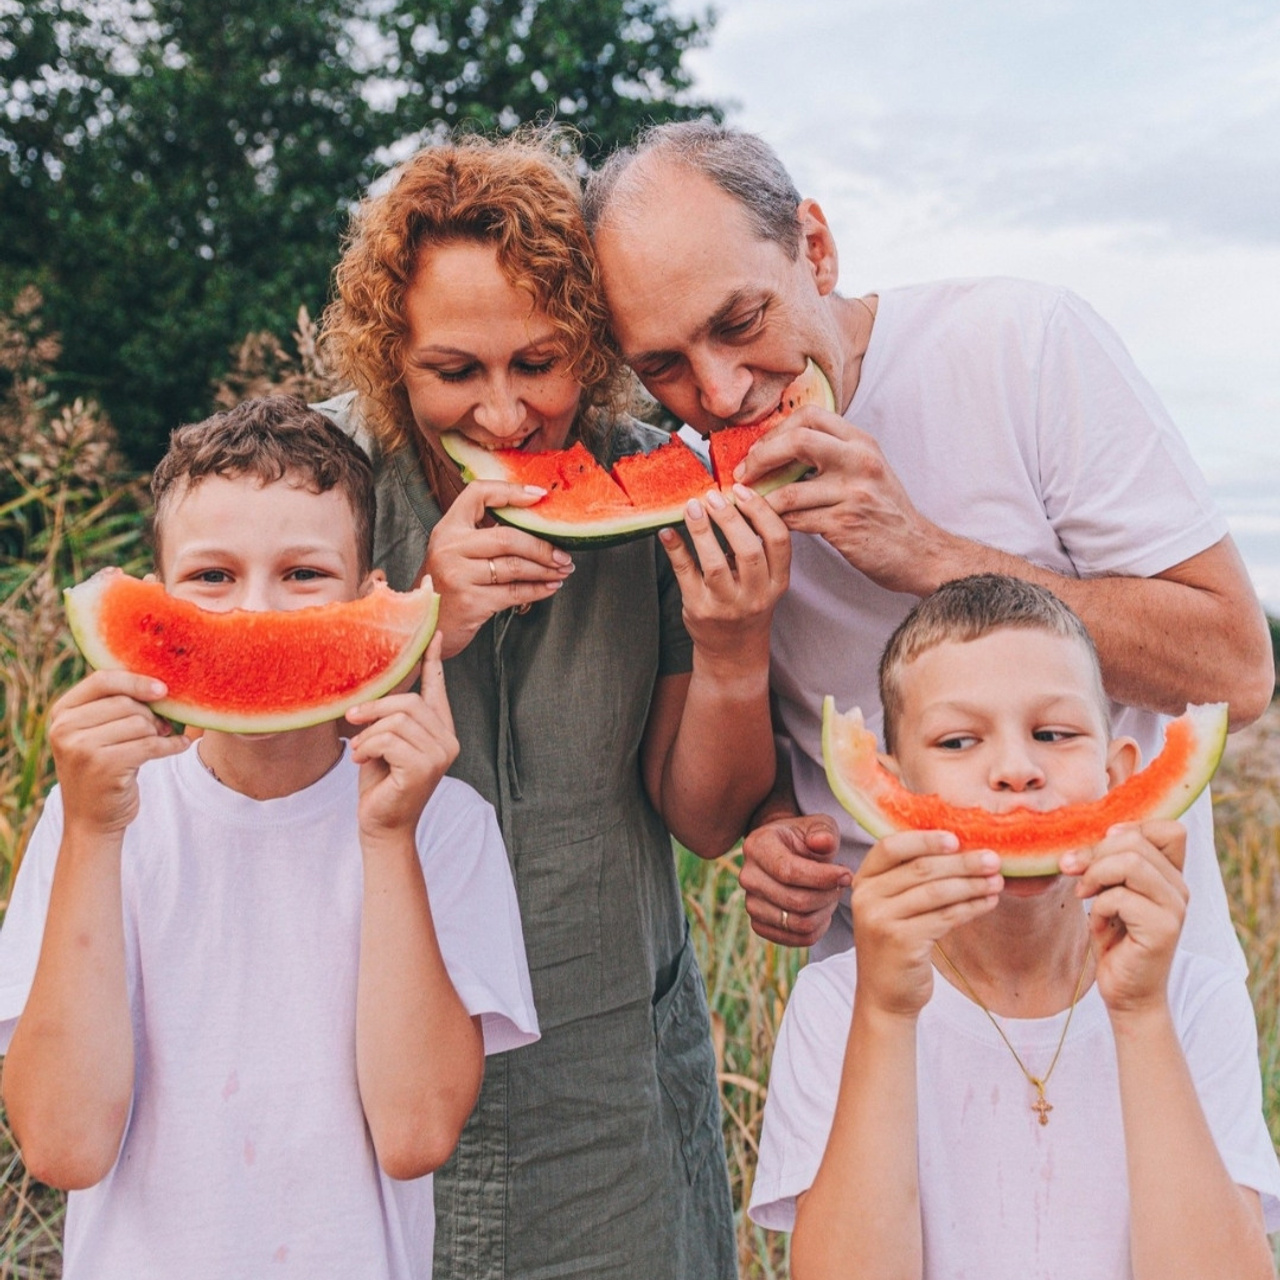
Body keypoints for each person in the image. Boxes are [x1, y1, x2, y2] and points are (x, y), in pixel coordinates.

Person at [583, 121, 1274, 968]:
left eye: (741, 320)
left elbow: (1236, 675)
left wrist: (926, 554)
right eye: (663, 368)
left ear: (816, 247)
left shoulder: (1025, 345)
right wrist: (771, 831)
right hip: (881, 1008)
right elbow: (723, 813)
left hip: (1126, 974)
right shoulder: (694, 493)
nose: (720, 394)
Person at [319, 131, 790, 1279]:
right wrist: (418, 620)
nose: (503, 416)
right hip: (358, 1076)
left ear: (594, 342)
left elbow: (703, 818)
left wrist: (731, 648)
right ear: (390, 358)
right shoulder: (314, 477)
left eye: (540, 361)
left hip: (608, 1091)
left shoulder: (654, 483)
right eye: (452, 371)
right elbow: (233, 758)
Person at [0, 397, 539, 1279]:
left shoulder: (445, 825)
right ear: (157, 596)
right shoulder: (93, 816)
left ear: (371, 599)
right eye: (211, 577)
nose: (255, 612)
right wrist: (95, 832)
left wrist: (388, 837)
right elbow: (64, 1148)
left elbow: (415, 1134)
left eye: (303, 574)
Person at [748, 573, 1280, 1278]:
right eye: (960, 741)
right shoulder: (840, 1006)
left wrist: (1141, 1013)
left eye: (1054, 733)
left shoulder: (1193, 1001)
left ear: (1120, 778)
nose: (1015, 770)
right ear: (893, 788)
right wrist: (885, 1012)